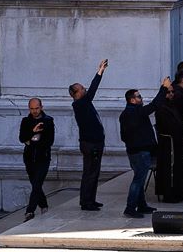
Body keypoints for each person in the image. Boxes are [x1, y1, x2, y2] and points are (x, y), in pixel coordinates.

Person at [118, 81, 165, 218]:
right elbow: (155, 105)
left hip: (133, 151)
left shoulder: (125, 114)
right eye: (139, 97)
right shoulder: (136, 111)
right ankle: (130, 207)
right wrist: (163, 88)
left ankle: (142, 205)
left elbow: (124, 136)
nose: (141, 99)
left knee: (139, 178)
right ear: (132, 100)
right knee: (138, 180)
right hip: (140, 152)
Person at [70, 57, 110, 210]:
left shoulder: (84, 103)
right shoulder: (80, 104)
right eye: (82, 88)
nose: (85, 89)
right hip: (90, 144)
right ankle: (86, 202)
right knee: (90, 173)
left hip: (95, 142)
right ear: (76, 93)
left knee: (94, 172)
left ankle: (90, 200)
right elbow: (93, 89)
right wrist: (99, 72)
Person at [19, 95, 56, 221]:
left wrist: (31, 140)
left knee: (37, 184)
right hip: (29, 158)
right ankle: (44, 205)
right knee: (35, 184)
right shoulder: (25, 121)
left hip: (43, 158)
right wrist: (33, 132)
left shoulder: (48, 121)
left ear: (41, 107)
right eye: (32, 108)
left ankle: (30, 211)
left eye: (36, 108)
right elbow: (22, 138)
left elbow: (48, 141)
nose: (34, 111)